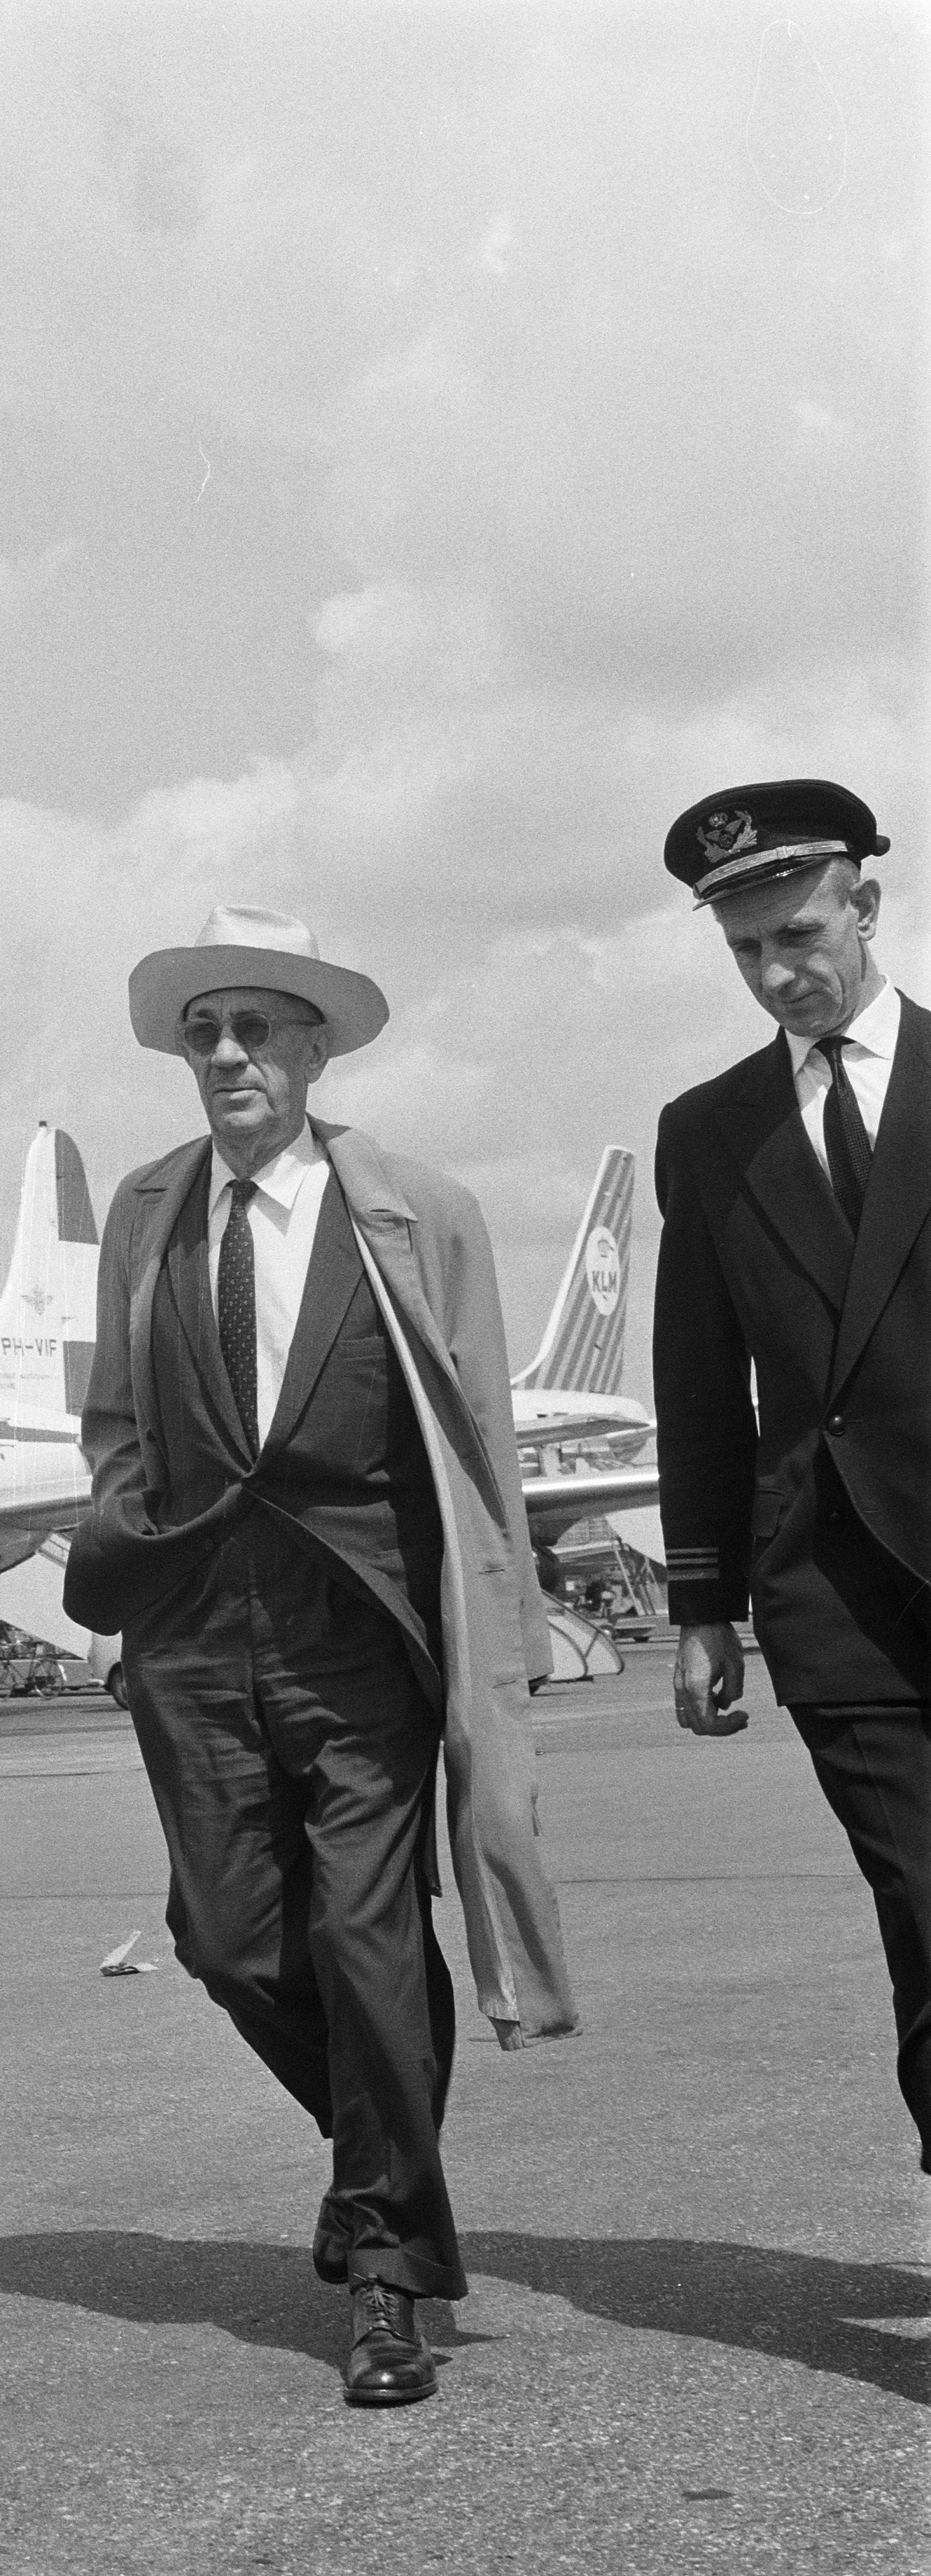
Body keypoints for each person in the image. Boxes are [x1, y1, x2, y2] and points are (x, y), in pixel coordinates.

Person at [64, 905, 576, 2408]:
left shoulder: (418, 1208)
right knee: (229, 1942)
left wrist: (501, 1626)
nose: (226, 1054)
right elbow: (114, 1427)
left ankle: (387, 2272)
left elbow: (478, 1442)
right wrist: (126, 1542)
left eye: (256, 1028)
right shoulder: (152, 1212)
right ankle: (382, 2168)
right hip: (189, 1641)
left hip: (363, 1638)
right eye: (203, 1032)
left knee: (367, 1937)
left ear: (315, 1046)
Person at [653, 780, 930, 2172]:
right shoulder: (710, 1132)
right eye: (747, 950)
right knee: (930, 1912)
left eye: (800, 934)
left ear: (866, 905)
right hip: (840, 1598)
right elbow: (697, 1385)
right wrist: (703, 1600)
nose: (778, 973)